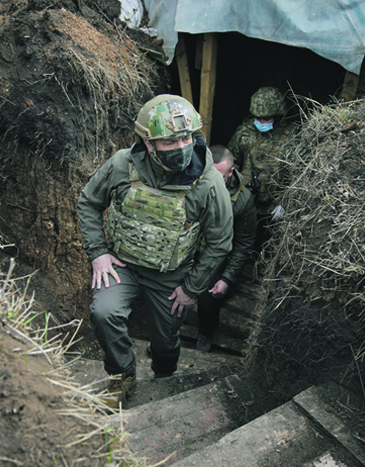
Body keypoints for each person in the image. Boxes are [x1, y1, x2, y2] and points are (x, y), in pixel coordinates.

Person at [77, 94, 234, 407]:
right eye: (168, 142)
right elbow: (90, 202)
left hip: (170, 277)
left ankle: (164, 377)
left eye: (186, 137)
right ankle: (122, 377)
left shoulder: (209, 182)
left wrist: (191, 289)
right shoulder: (123, 163)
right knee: (103, 313)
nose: (181, 148)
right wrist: (97, 252)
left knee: (164, 343)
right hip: (123, 264)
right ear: (148, 144)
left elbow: (220, 242)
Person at [195, 145, 257, 352]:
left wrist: (227, 278)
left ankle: (205, 331)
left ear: (230, 173)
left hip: (216, 257)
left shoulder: (242, 201)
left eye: (218, 177)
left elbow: (243, 244)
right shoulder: (191, 182)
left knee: (208, 298)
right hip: (189, 249)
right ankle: (165, 337)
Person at [228, 86, 296, 246]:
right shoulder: (244, 133)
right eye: (258, 118)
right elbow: (230, 167)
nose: (261, 123)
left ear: (277, 116)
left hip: (274, 204)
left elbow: (296, 174)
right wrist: (231, 197)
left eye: (266, 119)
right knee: (241, 242)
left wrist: (285, 203)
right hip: (246, 200)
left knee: (268, 244)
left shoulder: (291, 137)